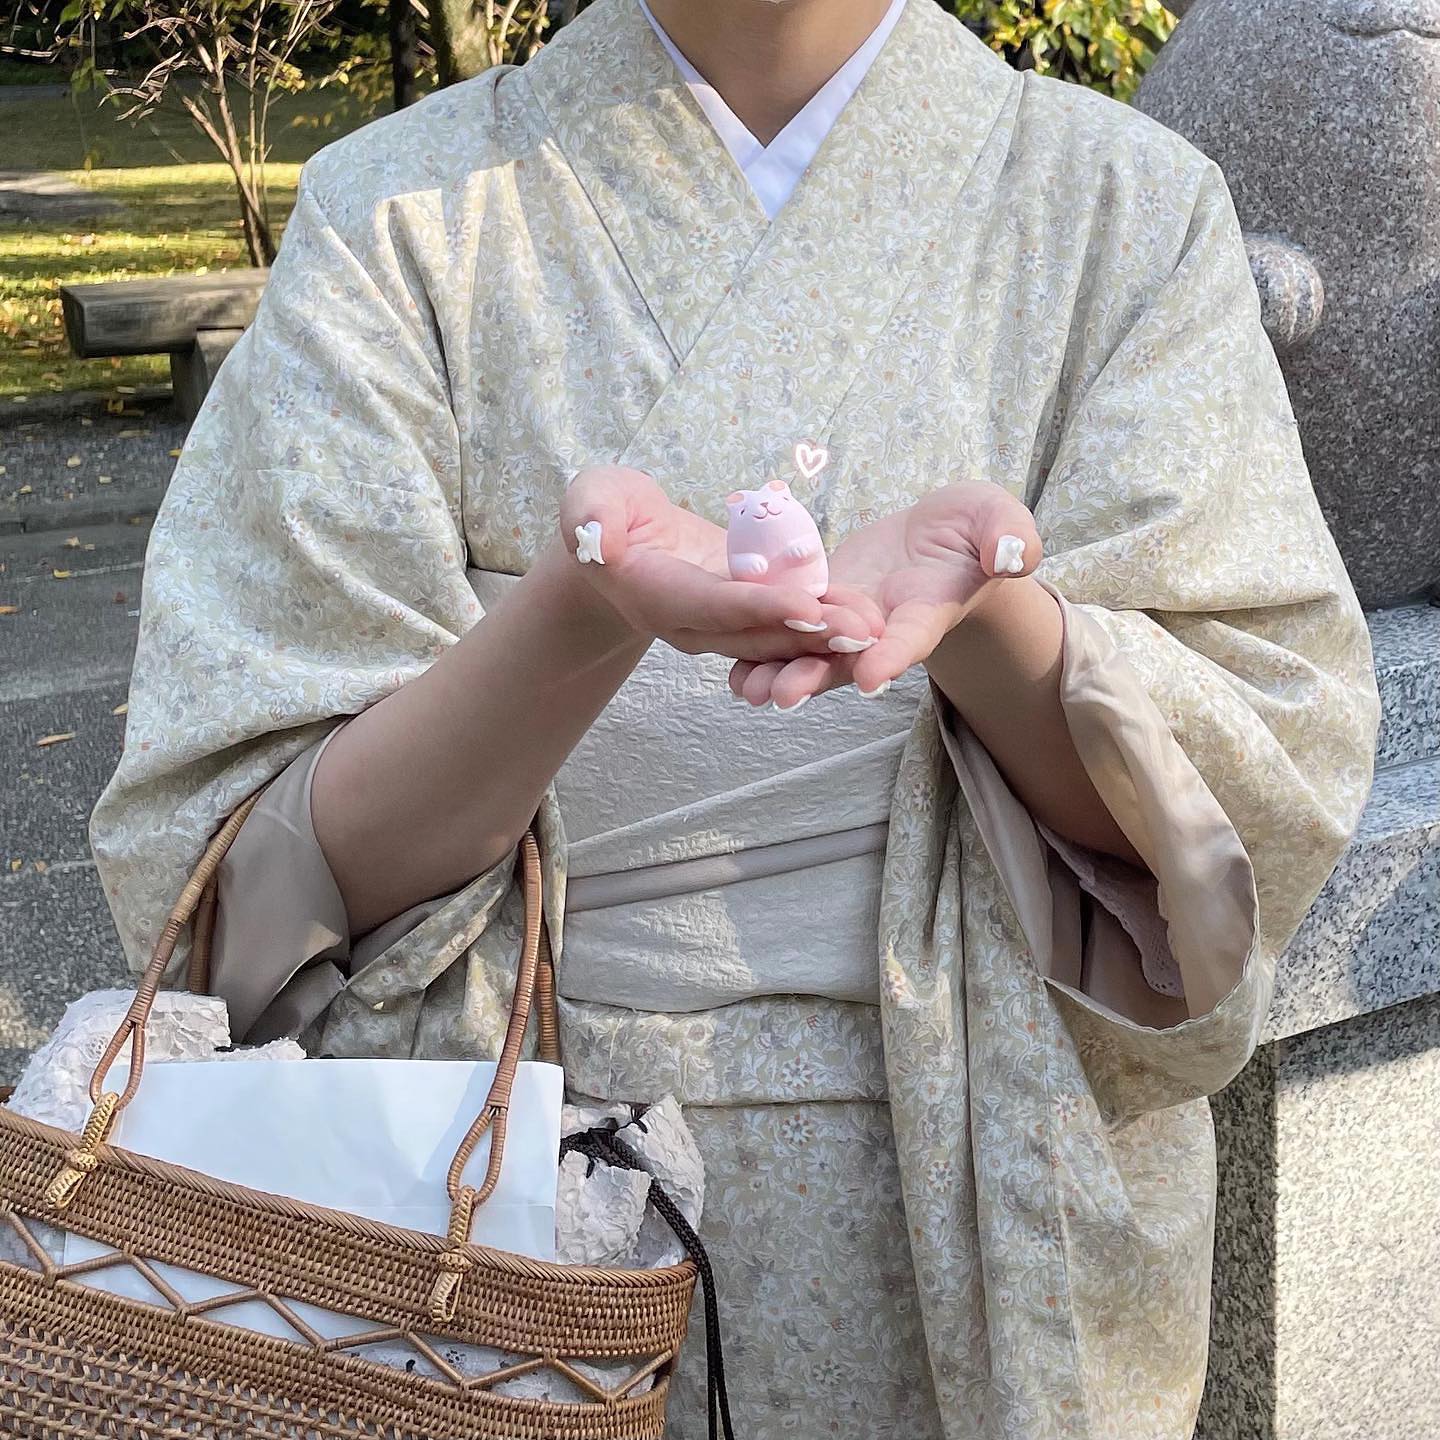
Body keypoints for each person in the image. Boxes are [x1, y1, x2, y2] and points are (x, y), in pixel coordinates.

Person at [90, 0, 1380, 1434]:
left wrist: (995, 624)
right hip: (487, 1209)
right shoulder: (399, 213)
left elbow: (1240, 811)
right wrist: (579, 614)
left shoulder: (1126, 206)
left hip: (989, 1179)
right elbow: (239, 874)